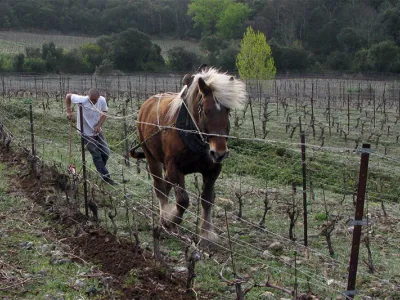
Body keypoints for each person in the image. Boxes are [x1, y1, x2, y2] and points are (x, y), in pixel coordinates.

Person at [65, 88, 116, 185]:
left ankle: (100, 169)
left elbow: (104, 112)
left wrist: (99, 125)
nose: (92, 102)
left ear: (98, 97)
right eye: (91, 100)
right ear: (88, 97)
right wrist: (68, 112)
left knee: (106, 152)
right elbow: (68, 96)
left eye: (94, 100)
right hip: (85, 132)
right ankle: (106, 176)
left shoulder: (102, 100)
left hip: (97, 130)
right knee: (96, 154)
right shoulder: (82, 99)